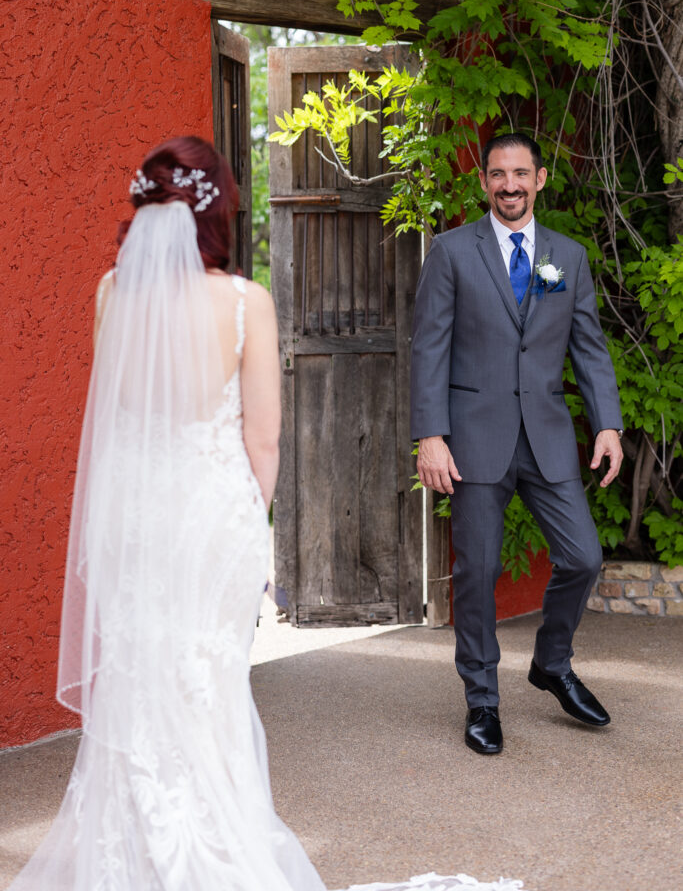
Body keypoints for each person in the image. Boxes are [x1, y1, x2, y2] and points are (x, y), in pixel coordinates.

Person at [8, 136, 524, 891]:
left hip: (132, 523)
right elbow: (263, 440)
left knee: (139, 681)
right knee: (206, 683)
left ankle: (129, 856)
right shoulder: (245, 304)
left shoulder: (110, 293)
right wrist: (250, 530)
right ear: (220, 209)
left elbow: (115, 420)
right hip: (210, 521)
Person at [411, 133, 623, 756]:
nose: (510, 185)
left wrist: (607, 424)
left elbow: (587, 345)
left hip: (549, 435)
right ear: (484, 182)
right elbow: (429, 349)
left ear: (541, 178)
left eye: (521, 174)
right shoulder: (451, 252)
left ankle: (551, 663)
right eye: (498, 174)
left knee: (583, 557)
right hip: (473, 438)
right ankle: (482, 699)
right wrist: (431, 436)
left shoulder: (568, 257)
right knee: (477, 572)